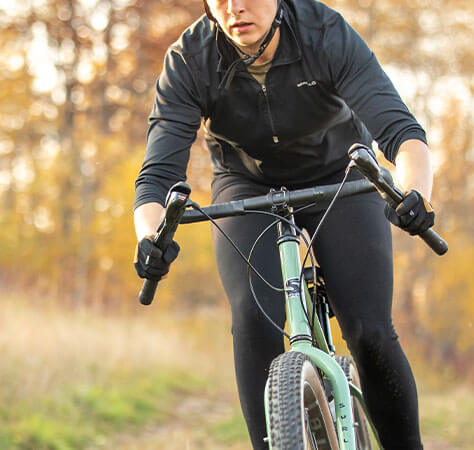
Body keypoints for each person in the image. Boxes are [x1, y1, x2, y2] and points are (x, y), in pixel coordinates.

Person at [133, 0, 435, 448]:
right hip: (247, 185)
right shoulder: (190, 58)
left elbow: (401, 132)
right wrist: (150, 237)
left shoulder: (325, 32)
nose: (235, 7)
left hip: (342, 174)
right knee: (254, 320)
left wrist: (416, 191)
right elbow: (157, 177)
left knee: (368, 329)